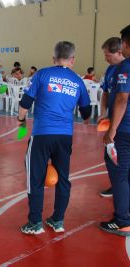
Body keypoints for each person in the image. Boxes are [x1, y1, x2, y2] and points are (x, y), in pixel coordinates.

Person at [18, 41, 91, 235]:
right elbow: (86, 113)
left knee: (35, 178)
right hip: (64, 137)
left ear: (53, 58)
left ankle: (35, 223)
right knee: (63, 179)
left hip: (42, 134)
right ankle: (58, 220)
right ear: (73, 60)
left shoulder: (42, 74)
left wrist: (20, 119)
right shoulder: (77, 81)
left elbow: (25, 102)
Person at [101, 25, 130, 236]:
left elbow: (121, 98)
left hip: (125, 130)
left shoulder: (125, 66)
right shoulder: (115, 69)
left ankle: (122, 220)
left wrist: (111, 131)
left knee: (119, 173)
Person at [98, 37, 125, 198]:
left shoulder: (126, 69)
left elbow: (122, 99)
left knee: (122, 159)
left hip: (123, 123)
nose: (105, 58)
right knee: (110, 156)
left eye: (108, 55)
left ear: (119, 52)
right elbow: (105, 94)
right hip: (112, 121)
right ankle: (117, 186)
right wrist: (102, 113)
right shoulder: (110, 70)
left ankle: (122, 191)